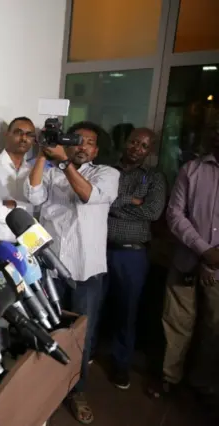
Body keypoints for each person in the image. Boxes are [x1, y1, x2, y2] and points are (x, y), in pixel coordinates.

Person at [24, 121, 119, 425]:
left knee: (82, 336)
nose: (82, 146)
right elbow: (32, 195)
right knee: (49, 328)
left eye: (88, 142)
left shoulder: (107, 175)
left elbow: (88, 195)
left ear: (96, 149)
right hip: (50, 266)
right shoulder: (52, 171)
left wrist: (63, 160)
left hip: (85, 270)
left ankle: (77, 391)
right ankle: (46, 390)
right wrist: (43, 153)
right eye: (76, 140)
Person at [156, 118, 219, 402]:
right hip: (186, 261)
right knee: (176, 322)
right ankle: (170, 377)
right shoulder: (192, 170)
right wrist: (204, 250)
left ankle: (204, 382)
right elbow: (175, 214)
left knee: (214, 328)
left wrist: (213, 259)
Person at [102, 128, 166, 389]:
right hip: (100, 249)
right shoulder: (106, 171)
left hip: (133, 253)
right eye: (133, 142)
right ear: (125, 142)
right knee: (92, 308)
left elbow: (152, 211)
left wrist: (113, 205)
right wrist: (132, 202)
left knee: (127, 312)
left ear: (149, 151)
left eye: (143, 145)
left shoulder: (154, 178)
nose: (136, 148)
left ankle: (121, 364)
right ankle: (87, 352)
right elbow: (98, 202)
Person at [0, 117, 36, 242]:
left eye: (29, 135)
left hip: (28, 242)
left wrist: (13, 204)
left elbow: (38, 210)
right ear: (7, 135)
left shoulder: (33, 171)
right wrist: (26, 207)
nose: (24, 138)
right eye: (18, 133)